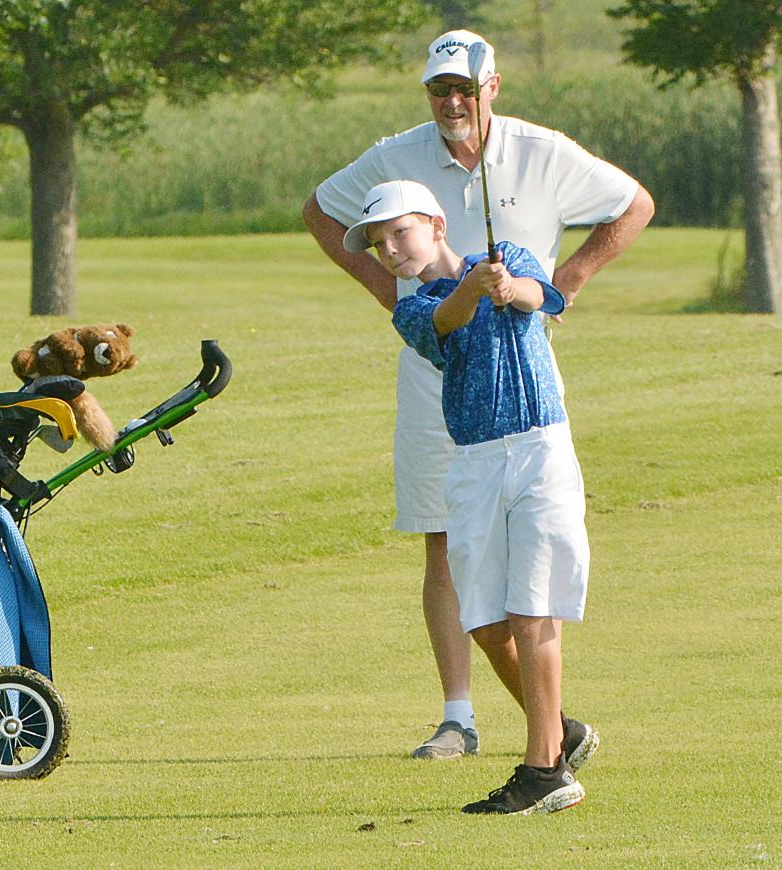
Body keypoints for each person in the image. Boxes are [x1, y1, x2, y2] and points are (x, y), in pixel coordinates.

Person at [302, 29, 654, 760]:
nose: (451, 101)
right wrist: (392, 290)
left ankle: (546, 741)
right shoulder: (394, 156)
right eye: (439, 89)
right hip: (433, 378)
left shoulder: (542, 150)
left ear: (492, 85)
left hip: (523, 390)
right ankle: (460, 716)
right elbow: (321, 213)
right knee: (446, 544)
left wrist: (560, 289)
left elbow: (632, 206)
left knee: (527, 582)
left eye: (464, 88)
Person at [352, 178, 591, 814]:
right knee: (485, 623)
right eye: (378, 244)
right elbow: (444, 321)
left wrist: (510, 288)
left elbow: (549, 297)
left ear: (435, 223)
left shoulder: (506, 257)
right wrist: (473, 288)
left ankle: (545, 768)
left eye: (399, 233)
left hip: (540, 446)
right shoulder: (413, 306)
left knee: (533, 605)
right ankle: (559, 729)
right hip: (476, 462)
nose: (391, 251)